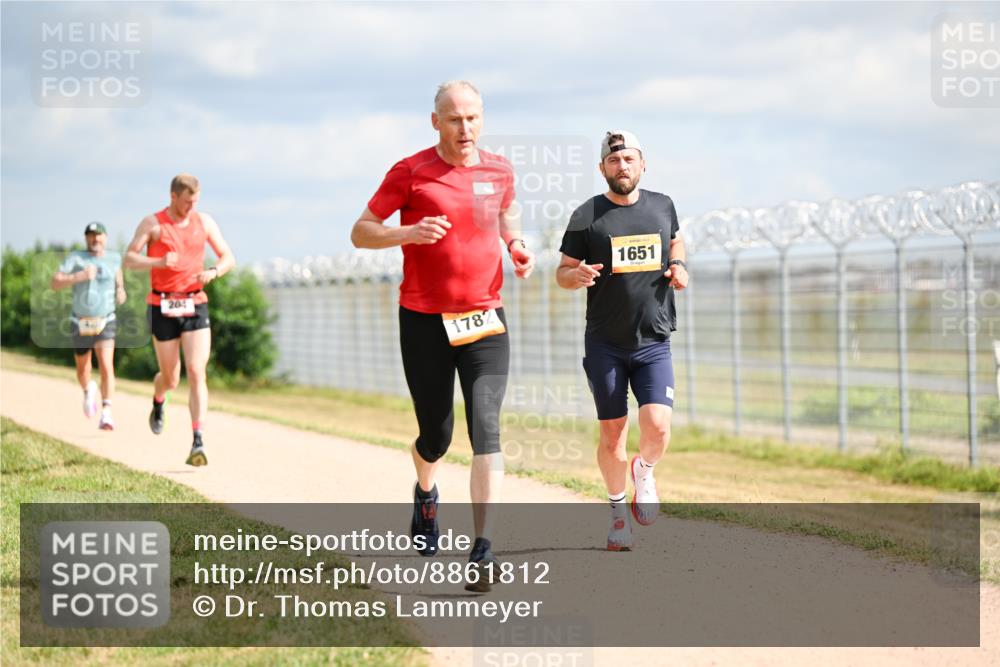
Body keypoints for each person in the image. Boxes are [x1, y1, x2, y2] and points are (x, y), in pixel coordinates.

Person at [351, 80, 534, 590]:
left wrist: (516, 244)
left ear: (482, 119)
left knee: (486, 428)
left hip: (484, 319)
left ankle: (483, 548)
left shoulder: (499, 170)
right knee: (436, 436)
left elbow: (507, 211)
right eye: (454, 119)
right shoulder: (410, 172)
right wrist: (407, 233)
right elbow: (361, 230)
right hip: (424, 320)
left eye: (472, 118)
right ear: (436, 122)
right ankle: (426, 492)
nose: (465, 128)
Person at [555, 131, 688, 551]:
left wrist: (678, 264)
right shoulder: (587, 215)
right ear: (602, 169)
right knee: (613, 434)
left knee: (658, 427)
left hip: (653, 340)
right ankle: (617, 513)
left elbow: (675, 239)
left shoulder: (662, 205)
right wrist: (575, 276)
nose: (622, 166)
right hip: (605, 344)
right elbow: (562, 272)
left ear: (642, 164)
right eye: (614, 161)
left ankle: (643, 471)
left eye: (629, 159)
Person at [124, 174, 235, 466]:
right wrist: (158, 262)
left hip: (194, 302)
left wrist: (213, 272)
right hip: (162, 305)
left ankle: (198, 440)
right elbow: (129, 259)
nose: (191, 207)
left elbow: (228, 257)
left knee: (197, 371)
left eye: (195, 201)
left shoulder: (204, 222)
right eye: (187, 202)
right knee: (171, 378)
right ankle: (159, 399)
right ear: (173, 196)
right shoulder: (153, 224)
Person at [50, 222, 127, 430]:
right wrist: (79, 276)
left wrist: (121, 290)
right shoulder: (76, 258)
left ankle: (107, 412)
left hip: (106, 319)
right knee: (83, 369)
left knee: (106, 364)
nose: (95, 239)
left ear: (105, 237)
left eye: (99, 235)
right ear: (86, 238)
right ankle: (88, 388)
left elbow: (118, 277)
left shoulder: (114, 258)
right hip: (80, 321)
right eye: (91, 235)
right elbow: (55, 282)